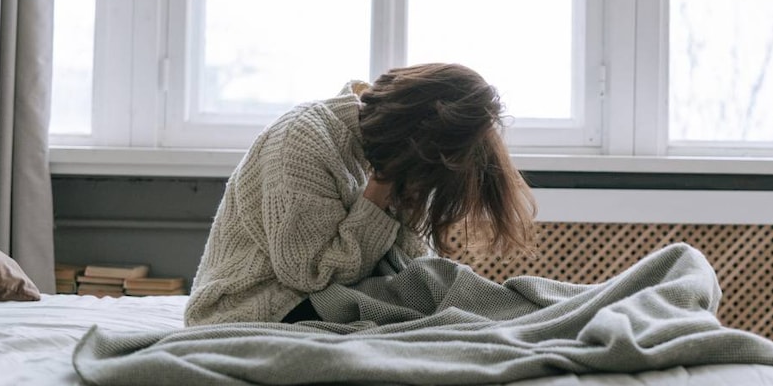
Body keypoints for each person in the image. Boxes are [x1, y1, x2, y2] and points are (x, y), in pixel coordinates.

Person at [184, 63, 537, 326]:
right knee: (434, 287)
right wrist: (377, 193)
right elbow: (310, 275)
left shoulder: (385, 153)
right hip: (251, 307)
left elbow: (404, 265)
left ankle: (538, 312)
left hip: (315, 300)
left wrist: (398, 200)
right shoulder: (303, 139)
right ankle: (539, 315)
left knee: (433, 284)